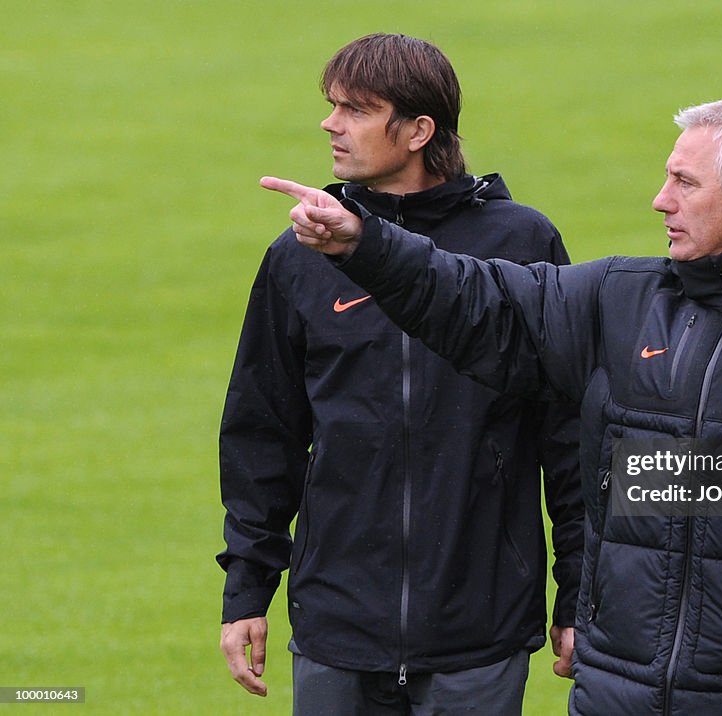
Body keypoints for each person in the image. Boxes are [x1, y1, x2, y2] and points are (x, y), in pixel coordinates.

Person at [261, 95, 722, 715]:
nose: (660, 199)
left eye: (684, 182)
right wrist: (368, 244)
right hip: (616, 688)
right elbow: (481, 301)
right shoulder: (618, 301)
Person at [217, 33, 584, 715]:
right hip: (335, 625)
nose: (331, 124)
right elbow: (262, 431)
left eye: (355, 109)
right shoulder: (301, 256)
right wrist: (246, 588)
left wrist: (579, 592)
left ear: (419, 130)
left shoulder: (524, 247)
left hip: (480, 626)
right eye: (332, 106)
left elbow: (570, 435)